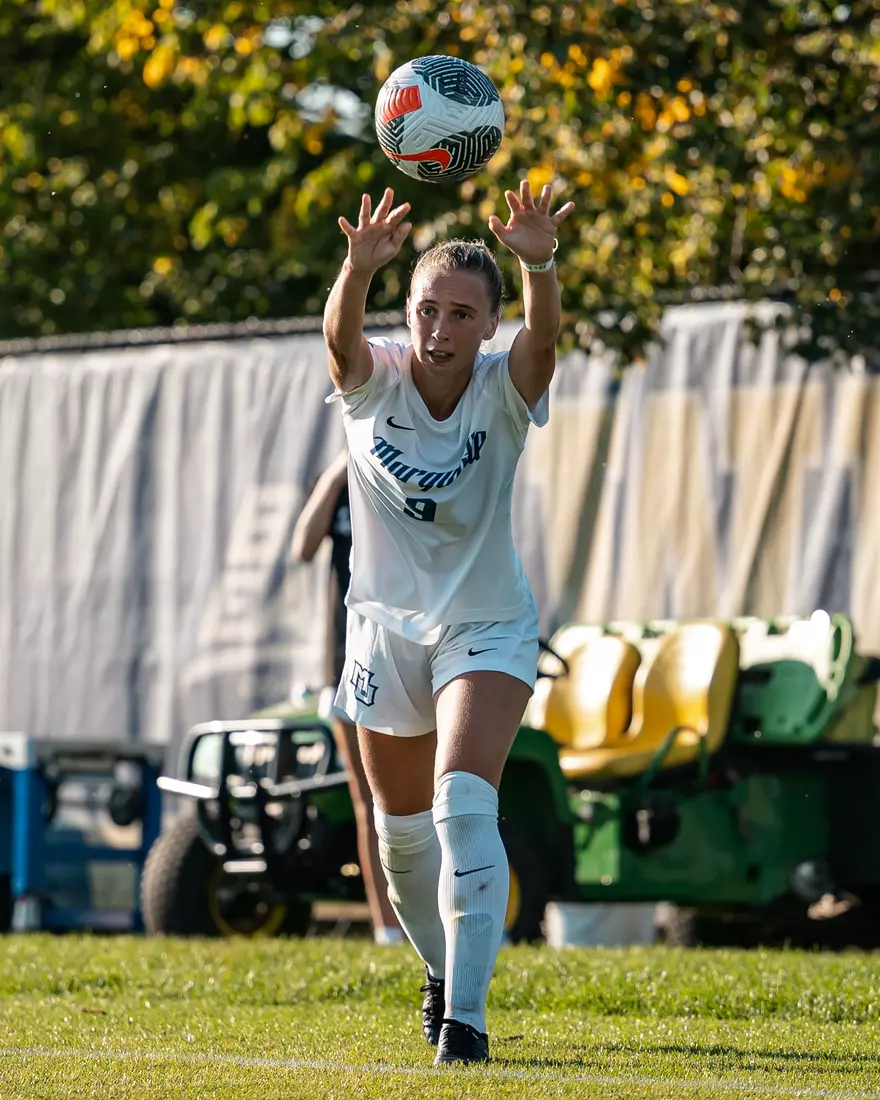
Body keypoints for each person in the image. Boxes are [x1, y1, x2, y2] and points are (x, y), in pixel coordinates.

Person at [323, 179, 574, 1066]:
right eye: (428, 309)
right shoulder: (373, 380)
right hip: (382, 632)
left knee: (463, 805)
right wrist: (356, 271)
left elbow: (545, 338)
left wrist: (537, 264)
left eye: (463, 314)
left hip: (486, 626)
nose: (440, 329)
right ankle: (439, 972)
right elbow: (337, 340)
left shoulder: (507, 388)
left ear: (488, 326)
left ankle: (464, 1027)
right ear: (408, 312)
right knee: (399, 839)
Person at [290, 447, 404, 946]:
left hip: (406, 652)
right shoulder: (335, 478)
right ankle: (387, 929)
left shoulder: (410, 461)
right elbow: (302, 547)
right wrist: (338, 470)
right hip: (345, 660)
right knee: (369, 801)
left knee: (427, 796)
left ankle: (444, 921)